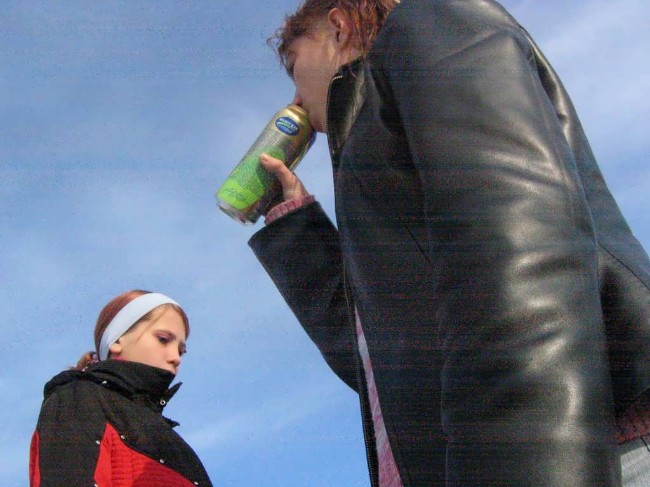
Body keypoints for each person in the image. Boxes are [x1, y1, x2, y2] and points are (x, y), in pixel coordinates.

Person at [247, 1, 650, 486]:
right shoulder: (371, 147)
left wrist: (520, 464)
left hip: (590, 452)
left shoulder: (427, 27)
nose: (295, 97)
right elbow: (384, 359)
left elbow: (522, 261)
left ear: (338, 26)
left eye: (295, 66)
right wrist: (293, 220)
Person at [29, 290, 213, 487]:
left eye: (181, 351)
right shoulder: (79, 399)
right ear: (117, 340)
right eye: (163, 339)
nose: (176, 358)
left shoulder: (179, 448)